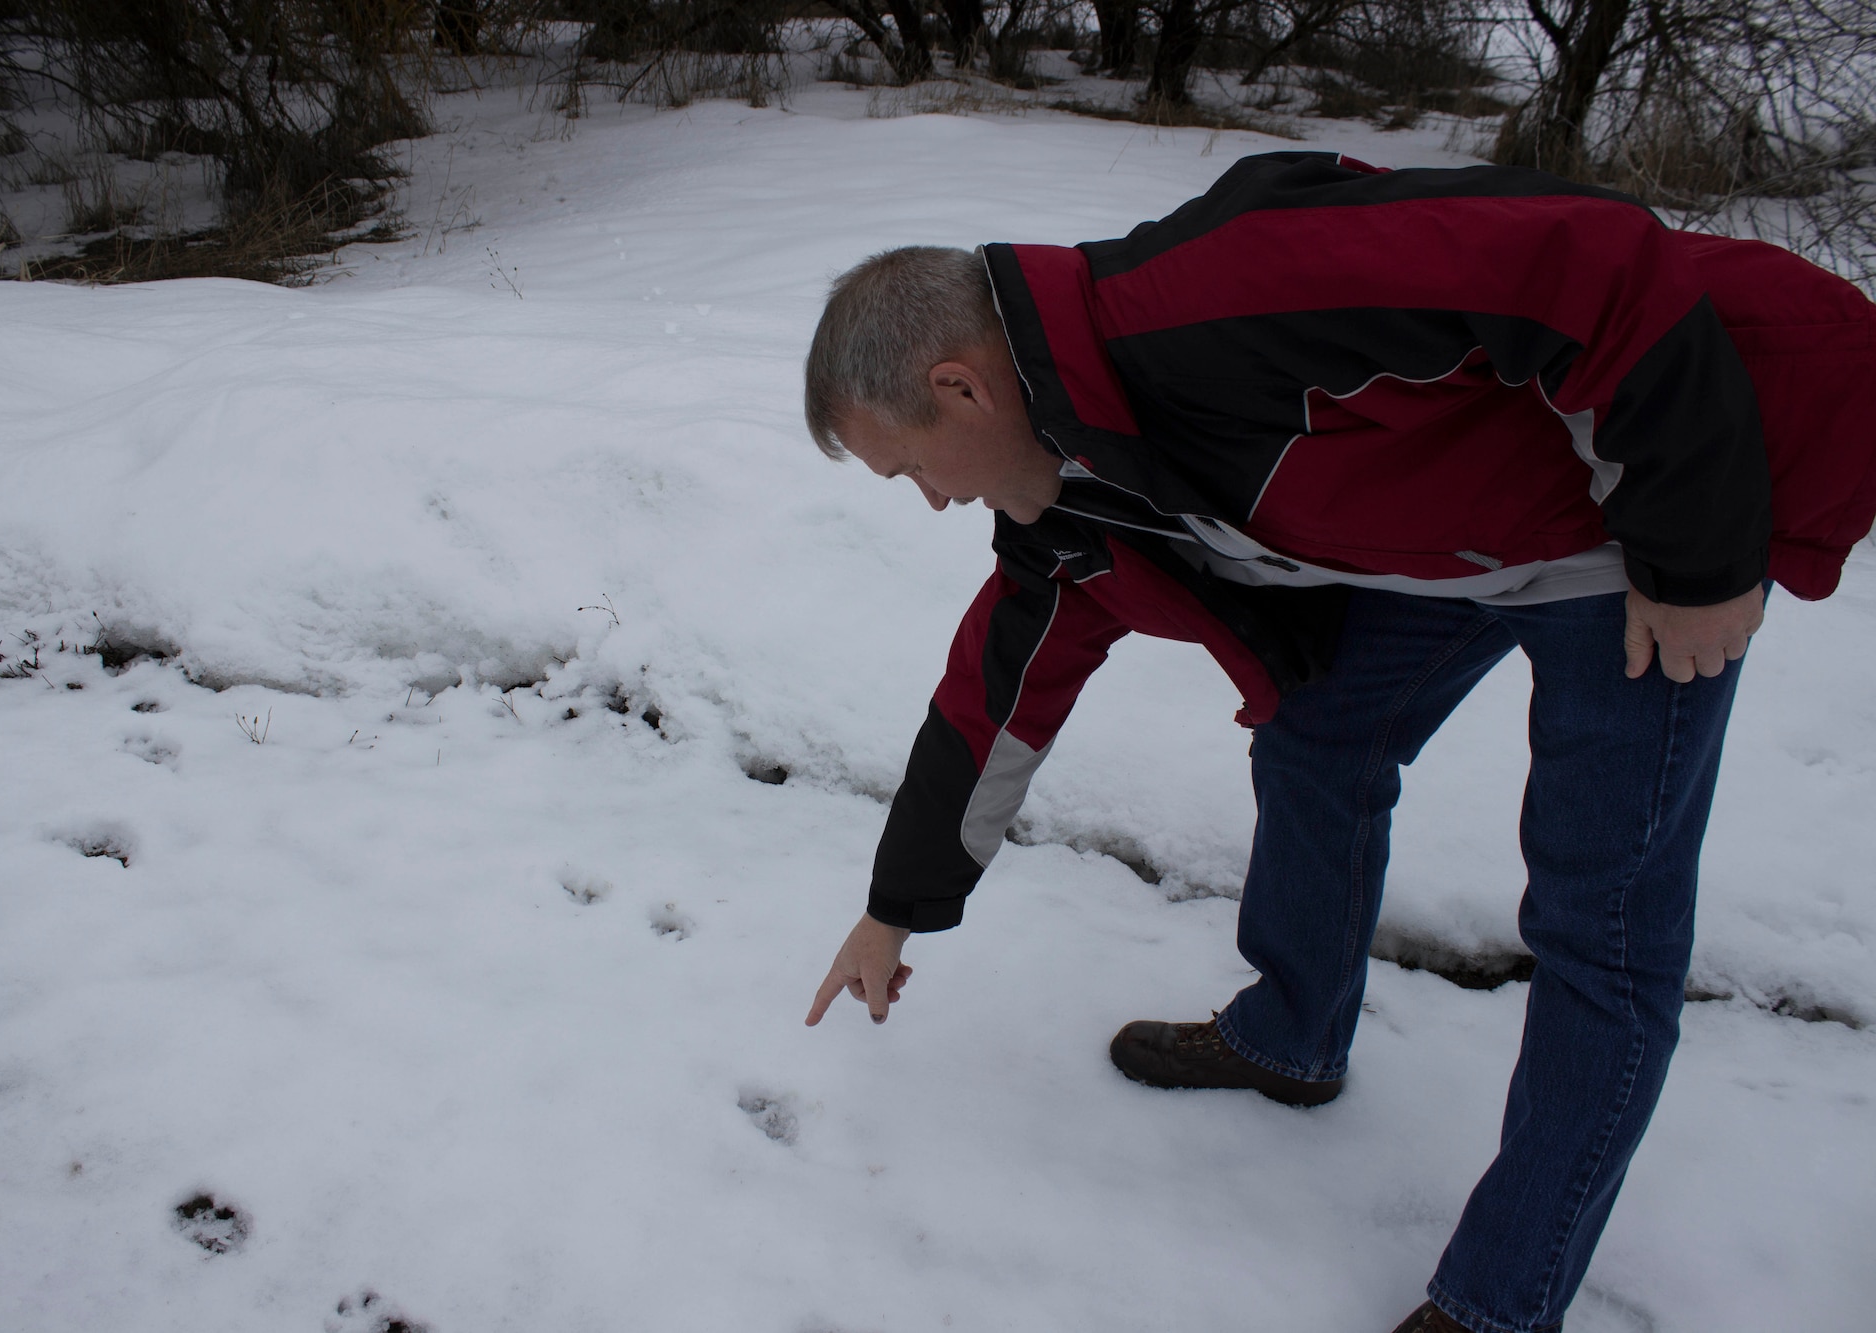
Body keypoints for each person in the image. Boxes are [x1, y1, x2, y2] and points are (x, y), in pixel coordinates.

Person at [797, 151, 1876, 1333]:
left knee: (1599, 925)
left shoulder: (1224, 288)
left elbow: (1594, 259)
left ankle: (1497, 1302)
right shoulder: (1077, 487)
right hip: (1463, 542)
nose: (933, 502)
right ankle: (1291, 1037)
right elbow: (992, 697)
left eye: (911, 470)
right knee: (1316, 737)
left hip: (1637, 529)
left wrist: (1700, 554)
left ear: (959, 390)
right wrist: (891, 909)